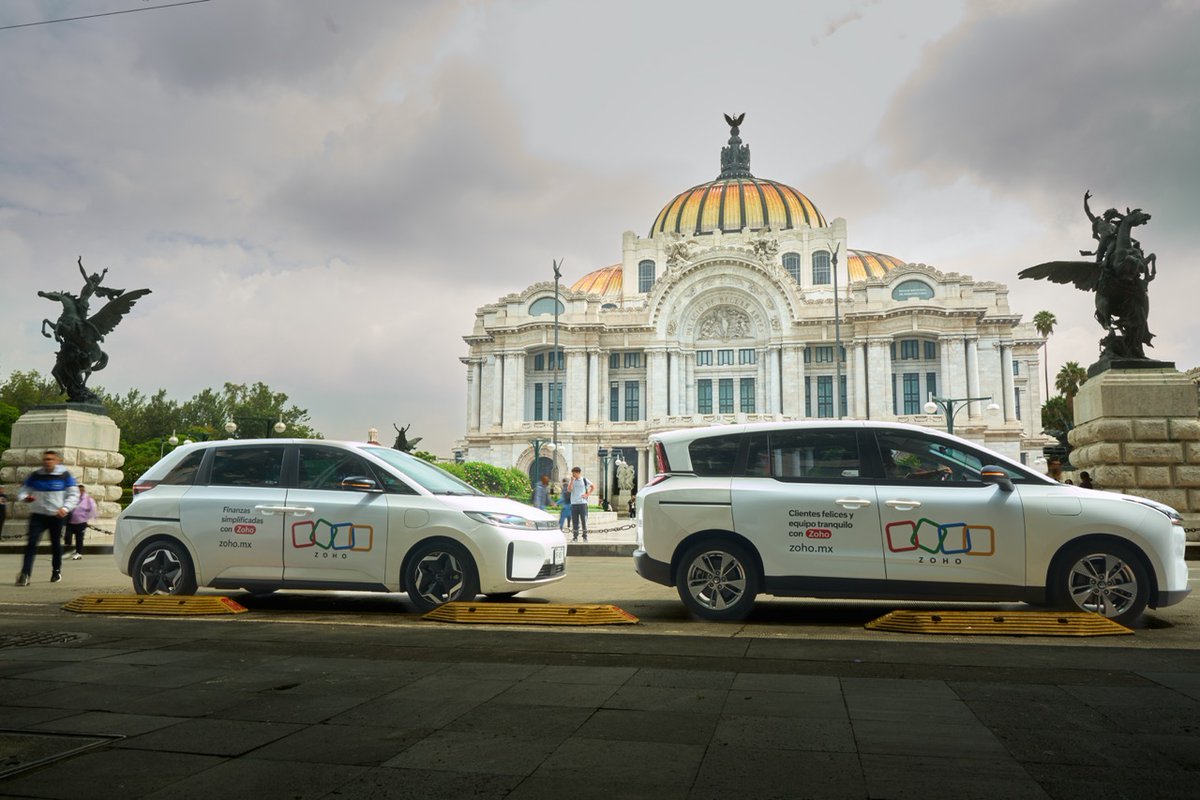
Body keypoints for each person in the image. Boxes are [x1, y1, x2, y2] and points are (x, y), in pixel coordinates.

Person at [16, 450, 79, 586]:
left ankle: (56, 570)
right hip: (38, 515)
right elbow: (23, 490)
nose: (47, 462)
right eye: (45, 459)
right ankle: (25, 573)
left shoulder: (64, 475)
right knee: (31, 543)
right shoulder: (36, 475)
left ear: (56, 461)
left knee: (55, 544)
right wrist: (25, 497)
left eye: (50, 459)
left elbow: (74, 494)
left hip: (56, 515)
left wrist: (65, 508)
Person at [66, 484, 97, 560]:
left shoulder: (88, 499)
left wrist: (88, 519)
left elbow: (93, 509)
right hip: (70, 522)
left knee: (79, 538)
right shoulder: (73, 498)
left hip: (81, 522)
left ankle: (78, 553)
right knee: (67, 537)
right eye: (78, 490)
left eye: (81, 490)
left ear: (83, 491)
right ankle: (70, 549)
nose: (80, 492)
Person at [568, 467, 592, 542]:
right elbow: (569, 490)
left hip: (583, 504)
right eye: (572, 473)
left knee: (584, 521)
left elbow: (593, 486)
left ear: (578, 472)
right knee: (575, 522)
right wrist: (572, 481)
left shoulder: (584, 480)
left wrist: (587, 494)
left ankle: (585, 537)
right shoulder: (572, 480)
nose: (573, 474)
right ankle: (575, 537)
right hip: (574, 504)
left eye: (574, 473)